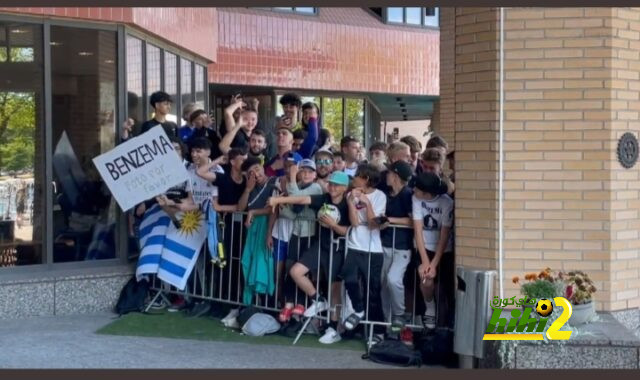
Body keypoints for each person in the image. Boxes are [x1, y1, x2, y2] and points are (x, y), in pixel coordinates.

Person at [267, 171, 351, 344]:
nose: (332, 187)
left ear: (344, 187)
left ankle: (333, 328)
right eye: (330, 183)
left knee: (334, 289)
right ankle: (318, 299)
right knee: (295, 271)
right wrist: (278, 200)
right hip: (320, 245)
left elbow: (351, 231)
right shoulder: (324, 198)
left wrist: (333, 225)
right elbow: (302, 199)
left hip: (338, 249)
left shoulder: (348, 204)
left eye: (336, 184)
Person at [341, 164, 387, 346]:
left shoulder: (380, 196)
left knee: (373, 290)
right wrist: (352, 201)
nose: (354, 179)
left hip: (373, 248)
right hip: (354, 245)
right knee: (349, 278)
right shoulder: (349, 194)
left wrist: (366, 202)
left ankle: (378, 330)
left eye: (357, 176)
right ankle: (359, 310)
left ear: (366, 179)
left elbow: (373, 223)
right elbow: (354, 222)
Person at [412, 172, 453, 330]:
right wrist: (425, 261)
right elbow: (418, 229)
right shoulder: (416, 199)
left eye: (417, 189)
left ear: (427, 193)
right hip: (424, 246)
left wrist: (434, 264)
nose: (414, 190)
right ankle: (429, 306)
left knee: (442, 286)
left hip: (443, 250)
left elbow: (444, 234)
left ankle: (443, 322)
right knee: (425, 279)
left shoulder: (446, 202)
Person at [238, 156, 279, 305]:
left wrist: (253, 212)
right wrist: (248, 189)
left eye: (257, 168)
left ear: (262, 167)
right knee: (248, 262)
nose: (255, 173)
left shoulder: (275, 182)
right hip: (253, 231)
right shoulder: (251, 188)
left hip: (270, 228)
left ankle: (270, 303)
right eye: (251, 172)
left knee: (265, 264)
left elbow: (274, 208)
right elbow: (240, 208)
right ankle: (251, 303)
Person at [379, 161, 414, 332]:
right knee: (384, 283)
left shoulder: (407, 194)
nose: (386, 175)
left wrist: (390, 220)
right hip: (385, 243)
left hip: (401, 246)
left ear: (396, 176)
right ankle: (387, 324)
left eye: (389, 172)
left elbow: (413, 220)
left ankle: (399, 315)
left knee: (393, 279)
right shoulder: (387, 193)